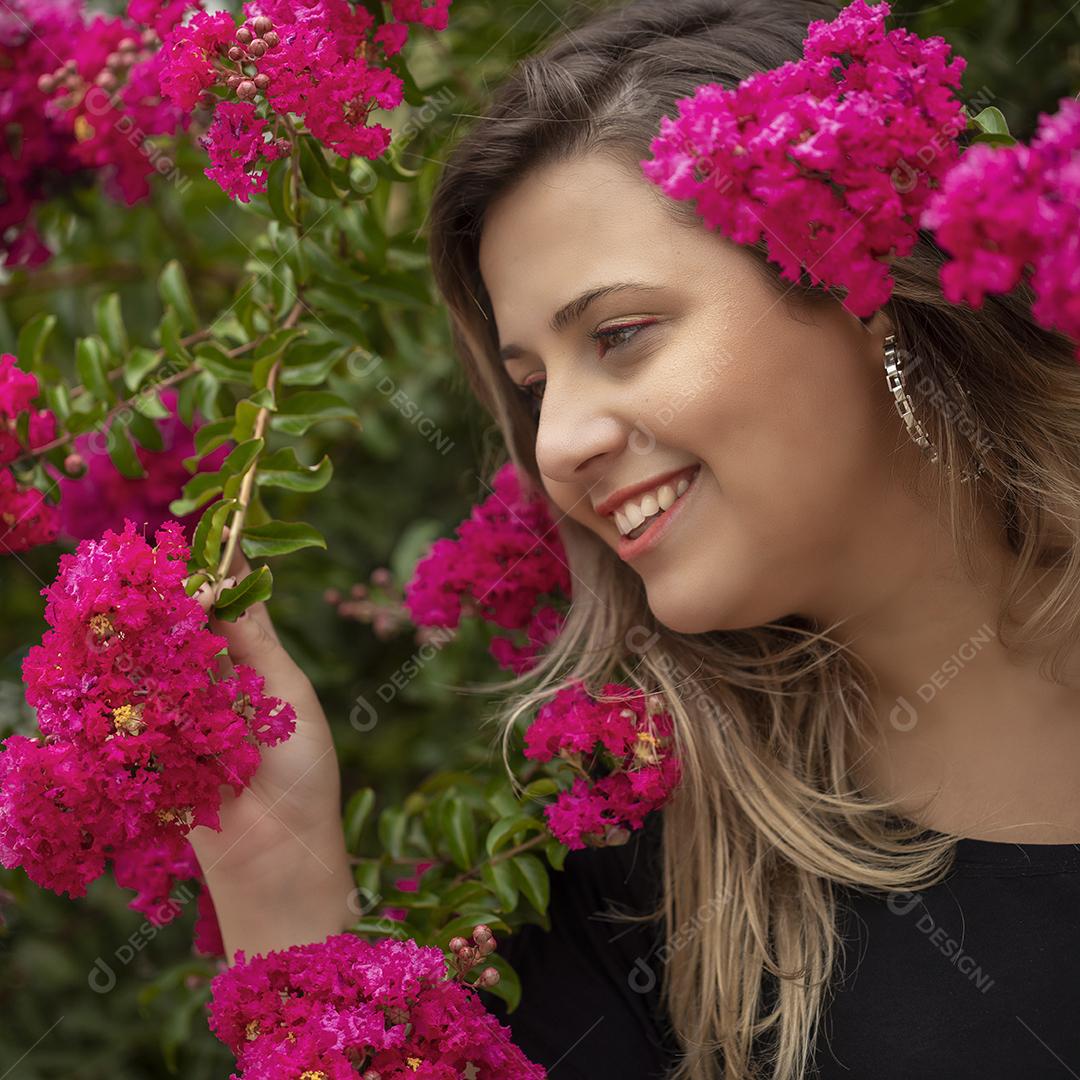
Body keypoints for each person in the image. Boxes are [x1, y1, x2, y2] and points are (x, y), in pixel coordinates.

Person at [190, 1, 1080, 1078]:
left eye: (619, 336)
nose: (555, 443)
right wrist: (281, 891)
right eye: (531, 386)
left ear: (861, 280)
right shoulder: (640, 889)